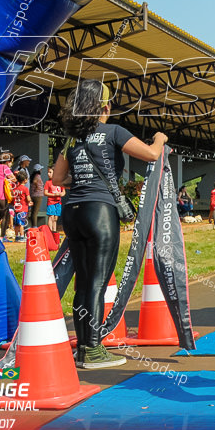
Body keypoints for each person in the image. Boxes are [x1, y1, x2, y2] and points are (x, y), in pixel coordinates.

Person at [51, 79, 168, 369]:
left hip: (72, 213)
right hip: (100, 212)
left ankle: (83, 349)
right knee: (97, 283)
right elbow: (151, 154)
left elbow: (56, 179)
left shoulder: (72, 139)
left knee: (83, 282)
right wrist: (160, 139)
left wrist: (81, 180)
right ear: (104, 106)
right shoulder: (113, 131)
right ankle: (92, 350)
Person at [44, 167, 65, 233]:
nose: (48, 174)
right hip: (51, 202)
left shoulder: (60, 182)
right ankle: (50, 231)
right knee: (51, 216)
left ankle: (54, 231)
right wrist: (54, 195)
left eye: (50, 172)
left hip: (58, 202)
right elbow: (45, 193)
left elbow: (64, 191)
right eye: (48, 172)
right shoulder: (48, 183)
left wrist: (61, 194)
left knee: (55, 218)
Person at [11, 170, 30, 242]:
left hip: (16, 208)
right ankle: (22, 236)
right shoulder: (25, 189)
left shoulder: (15, 189)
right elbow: (28, 198)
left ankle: (16, 236)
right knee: (21, 223)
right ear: (25, 180)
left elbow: (13, 198)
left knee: (16, 224)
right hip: (23, 209)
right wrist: (30, 201)